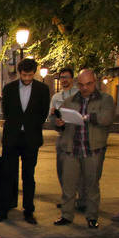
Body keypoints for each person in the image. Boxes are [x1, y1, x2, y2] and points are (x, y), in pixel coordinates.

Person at [53, 69, 114, 228]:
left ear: (95, 82)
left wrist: (85, 117)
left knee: (92, 185)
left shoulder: (105, 99)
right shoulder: (71, 101)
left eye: (88, 84)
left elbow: (106, 118)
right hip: (72, 149)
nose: (85, 88)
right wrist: (59, 123)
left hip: (93, 149)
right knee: (68, 184)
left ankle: (92, 216)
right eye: (81, 85)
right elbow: (60, 126)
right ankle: (66, 215)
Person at [0, 58, 50, 224]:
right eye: (24, 75)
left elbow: (43, 112)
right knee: (7, 175)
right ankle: (3, 210)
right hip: (12, 139)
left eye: (30, 75)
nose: (26, 79)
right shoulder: (9, 89)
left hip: (31, 139)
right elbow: (7, 112)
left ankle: (28, 210)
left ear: (34, 73)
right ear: (19, 73)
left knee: (29, 176)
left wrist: (30, 126)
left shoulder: (42, 89)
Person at [49, 68, 80, 208]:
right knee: (61, 169)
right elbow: (51, 117)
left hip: (78, 136)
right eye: (61, 77)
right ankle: (66, 198)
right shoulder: (56, 97)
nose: (64, 80)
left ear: (72, 79)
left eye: (67, 77)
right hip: (62, 135)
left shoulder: (79, 95)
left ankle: (80, 198)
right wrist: (56, 121)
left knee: (78, 171)